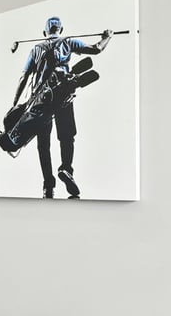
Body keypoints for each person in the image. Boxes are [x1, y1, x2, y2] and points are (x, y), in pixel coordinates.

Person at [11, 16, 111, 199]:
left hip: (40, 101)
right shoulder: (68, 42)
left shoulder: (36, 49)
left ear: (44, 33)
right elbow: (96, 49)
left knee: (44, 145)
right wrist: (107, 36)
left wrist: (14, 103)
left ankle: (48, 185)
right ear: (61, 30)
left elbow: (24, 78)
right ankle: (66, 168)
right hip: (63, 95)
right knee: (67, 137)